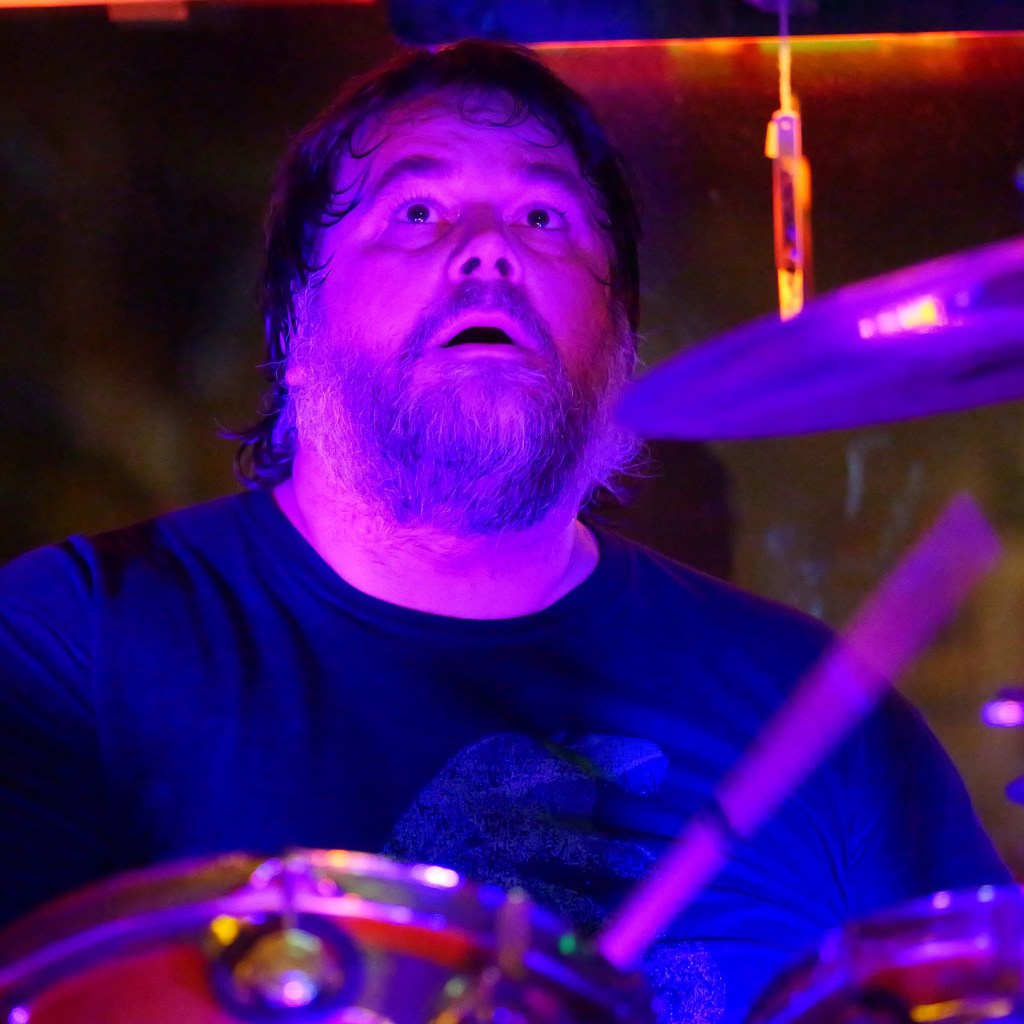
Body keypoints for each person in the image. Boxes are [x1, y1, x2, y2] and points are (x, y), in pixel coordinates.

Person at [0, 39, 1010, 1024]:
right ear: (292, 325)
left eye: (544, 216)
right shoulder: (74, 644)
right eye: (416, 211)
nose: (489, 248)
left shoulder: (822, 711)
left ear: (619, 341)